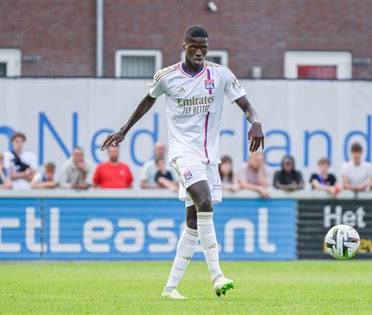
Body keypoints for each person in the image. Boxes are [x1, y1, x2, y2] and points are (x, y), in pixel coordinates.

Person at [100, 25, 264, 299]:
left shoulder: (221, 74)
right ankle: (217, 275)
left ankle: (170, 287)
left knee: (193, 221)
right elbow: (147, 101)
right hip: (182, 152)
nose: (199, 52)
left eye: (204, 48)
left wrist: (256, 121)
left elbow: (246, 105)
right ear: (184, 45)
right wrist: (123, 130)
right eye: (194, 47)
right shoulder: (167, 76)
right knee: (205, 201)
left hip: (209, 156)